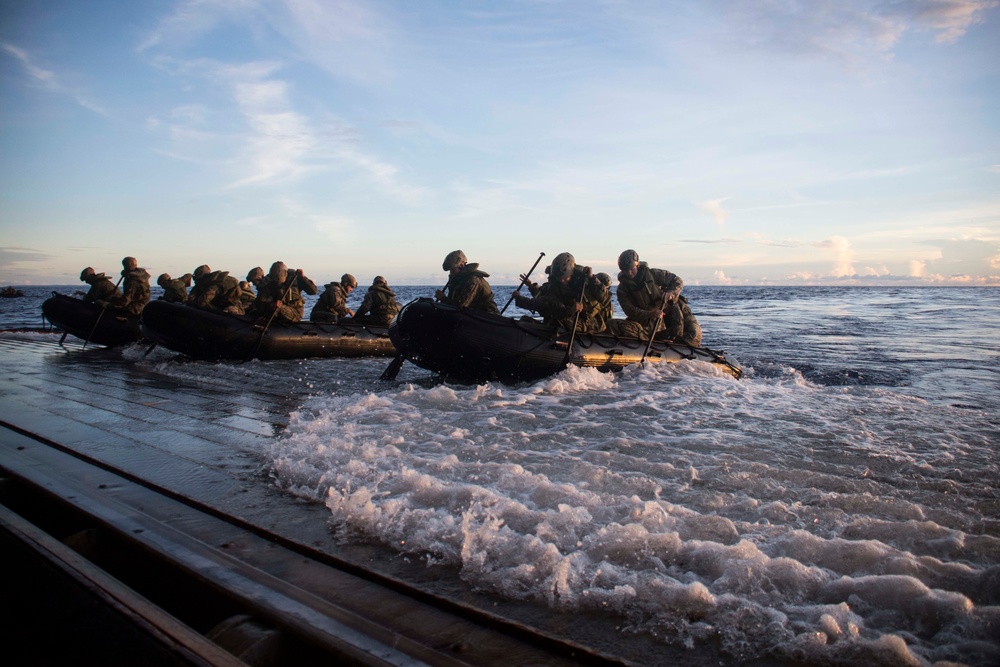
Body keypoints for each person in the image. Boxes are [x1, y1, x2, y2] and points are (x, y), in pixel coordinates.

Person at [616, 249, 702, 346]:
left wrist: (671, 293)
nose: (629, 273)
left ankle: (678, 342)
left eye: (632, 269)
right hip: (648, 319)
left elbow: (677, 281)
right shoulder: (622, 289)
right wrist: (650, 314)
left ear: (637, 265)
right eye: (626, 270)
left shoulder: (653, 274)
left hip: (669, 311)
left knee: (694, 335)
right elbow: (630, 310)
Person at [512, 252, 590, 331]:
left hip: (582, 323)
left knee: (558, 320)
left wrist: (518, 298)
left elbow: (550, 305)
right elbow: (543, 298)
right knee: (526, 320)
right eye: (558, 277)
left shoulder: (582, 284)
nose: (562, 280)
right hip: (561, 316)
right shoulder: (555, 286)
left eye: (565, 277)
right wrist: (530, 286)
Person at [435, 250, 499, 314]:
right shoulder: (459, 279)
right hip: (474, 314)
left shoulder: (473, 280)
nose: (451, 272)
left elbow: (461, 305)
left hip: (487, 316)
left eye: (453, 269)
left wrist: (443, 298)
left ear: (461, 265)